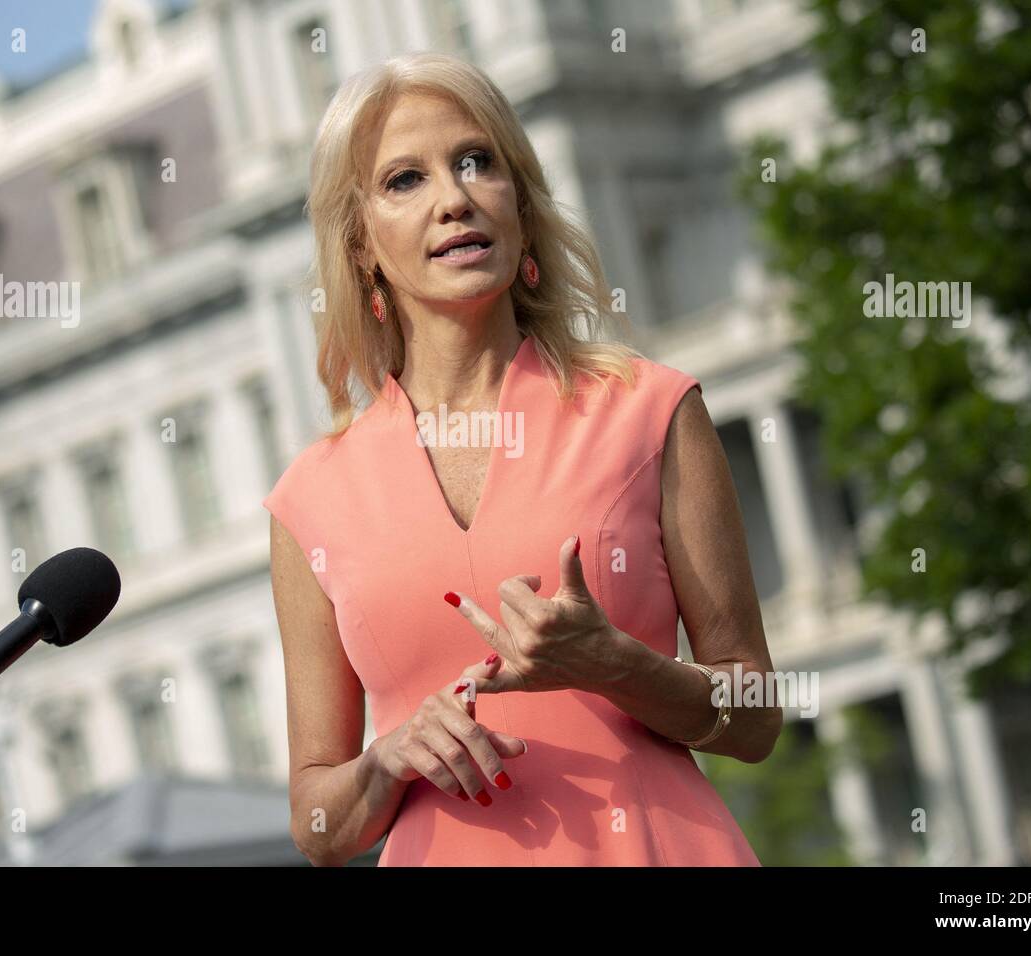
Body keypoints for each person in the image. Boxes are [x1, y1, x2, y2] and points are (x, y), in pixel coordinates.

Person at [263, 52, 780, 866]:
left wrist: (617, 666)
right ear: (360, 241)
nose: (455, 198)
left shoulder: (651, 409)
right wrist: (388, 758)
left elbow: (754, 717)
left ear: (522, 206)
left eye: (478, 163)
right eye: (406, 180)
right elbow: (316, 825)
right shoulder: (309, 500)